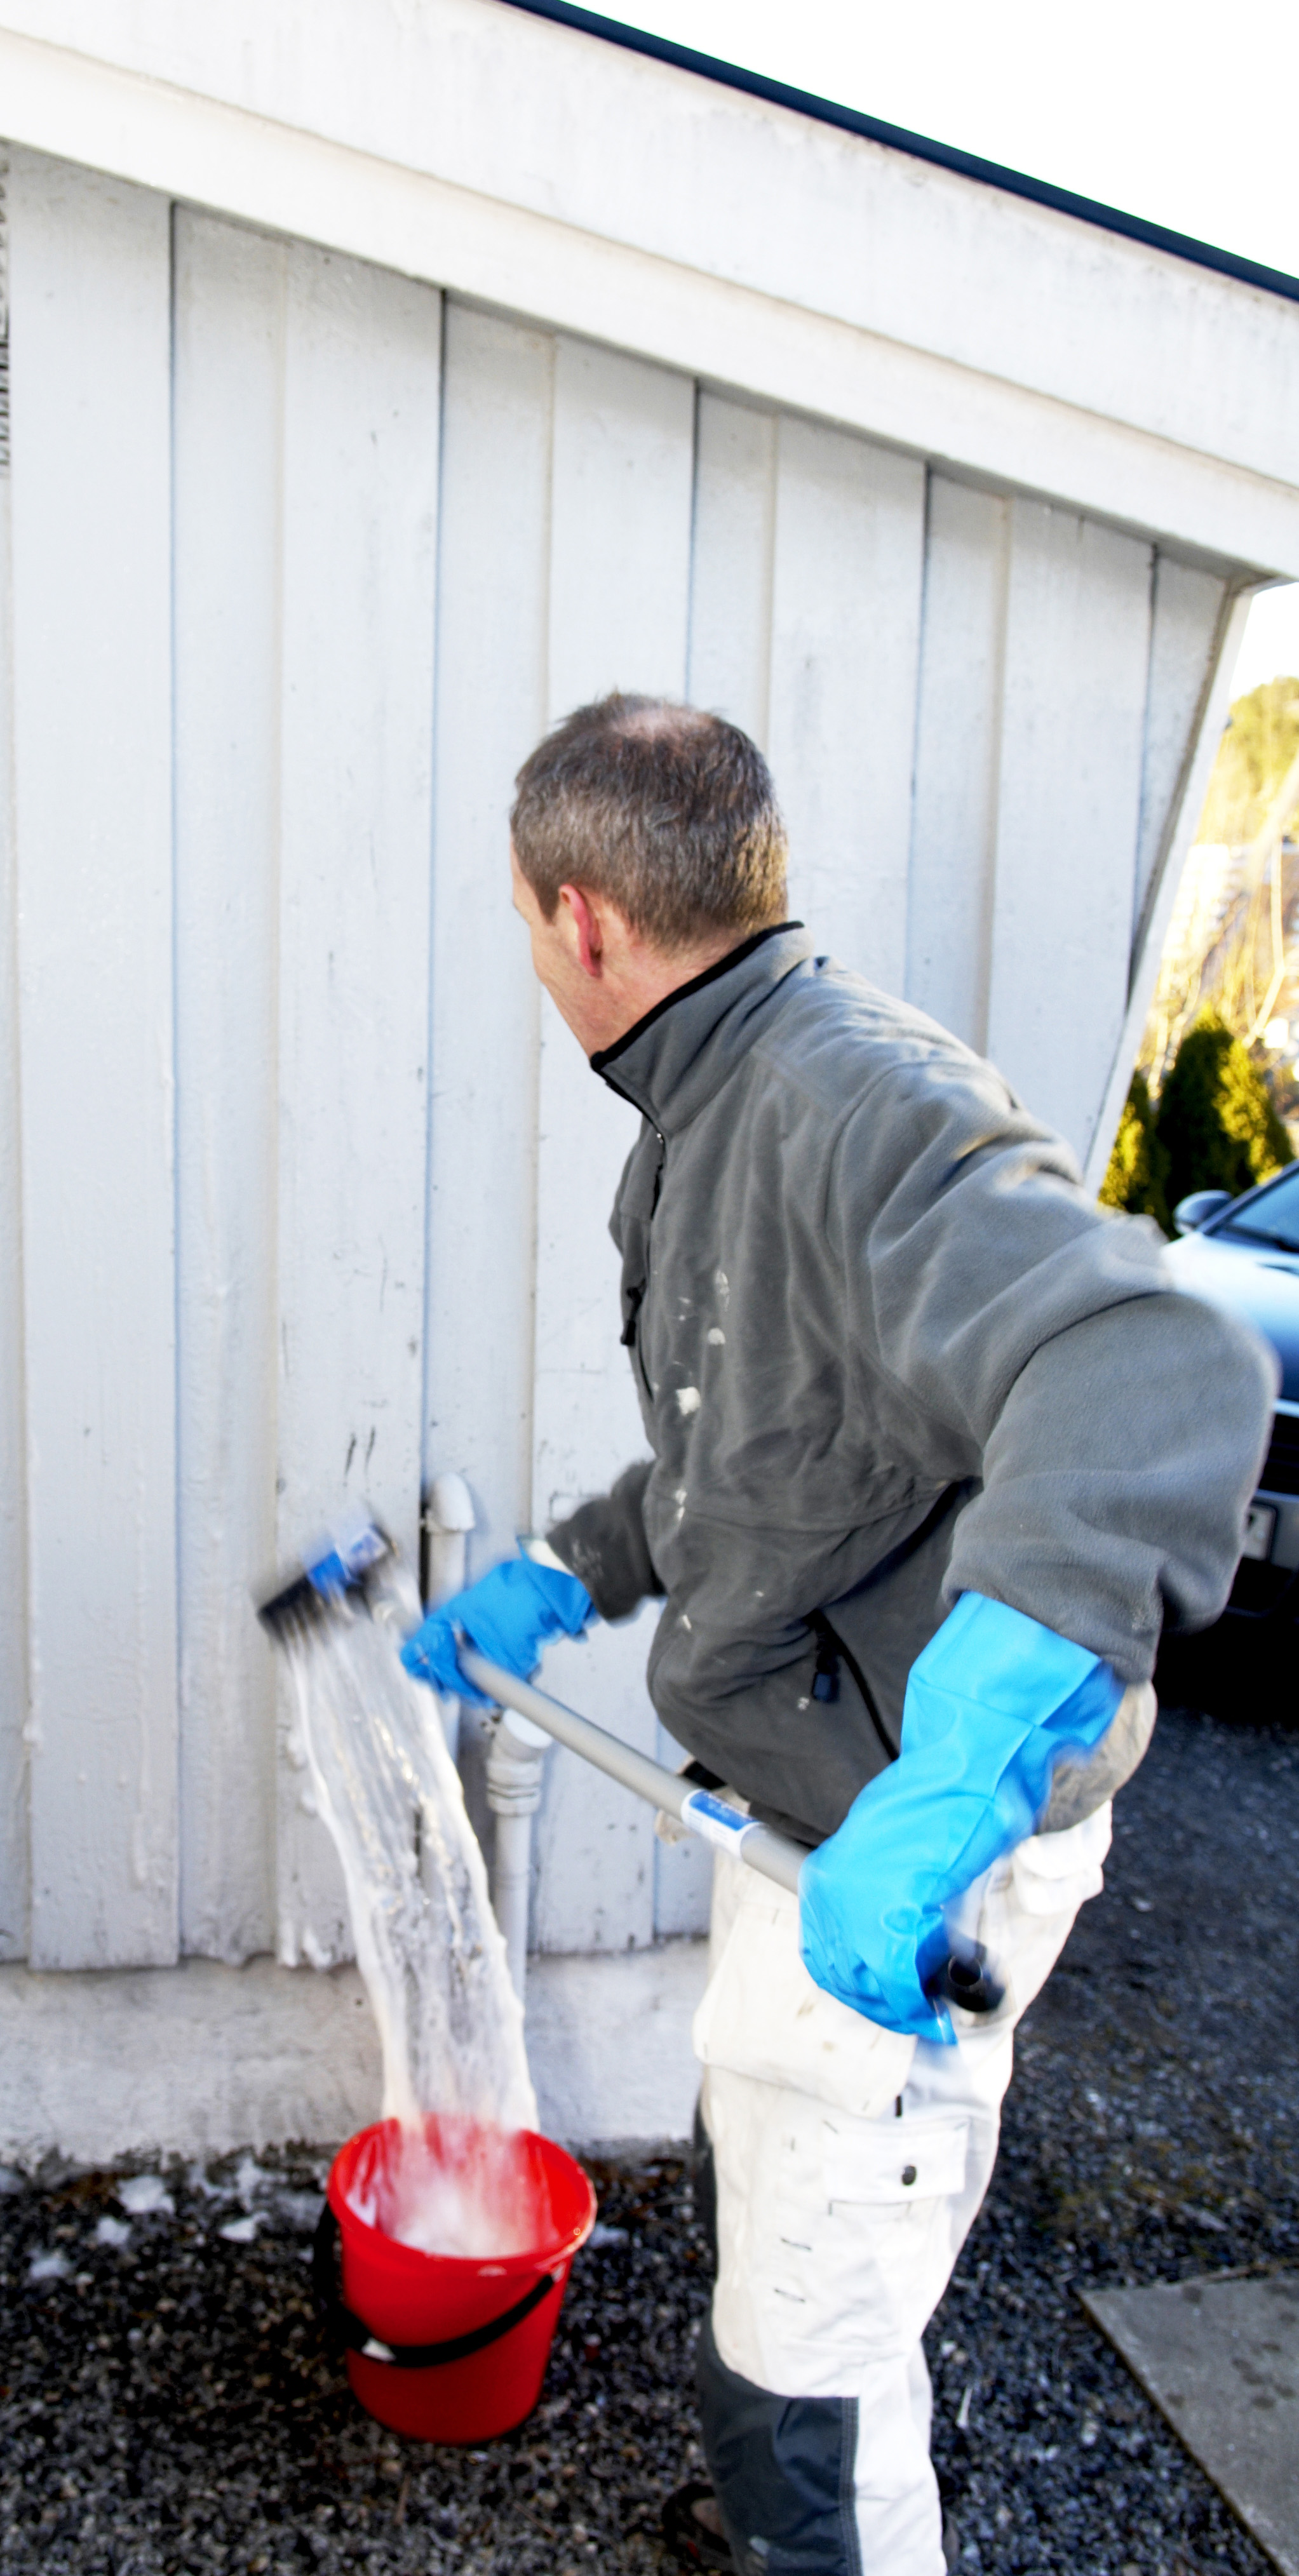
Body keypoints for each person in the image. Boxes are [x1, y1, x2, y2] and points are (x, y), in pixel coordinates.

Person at [402, 695, 1274, 2575]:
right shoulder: (718, 1099)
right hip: (809, 1807)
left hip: (913, 1843)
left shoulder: (849, 1104)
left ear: (580, 920)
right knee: (771, 2221)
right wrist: (573, 1569)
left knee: (810, 2382)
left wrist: (966, 1764)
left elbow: (1150, 1362)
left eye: (527, 923)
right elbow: (778, 1458)